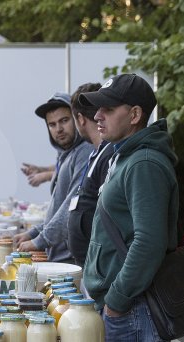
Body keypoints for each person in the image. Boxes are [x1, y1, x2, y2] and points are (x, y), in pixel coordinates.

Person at [80, 73, 177, 342]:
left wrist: (117, 302)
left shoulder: (144, 162)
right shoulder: (127, 155)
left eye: (107, 109)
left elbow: (148, 242)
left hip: (134, 309)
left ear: (134, 115)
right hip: (126, 307)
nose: (97, 117)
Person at [13, 93, 94, 263]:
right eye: (52, 124)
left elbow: (73, 206)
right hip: (59, 256)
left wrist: (39, 240)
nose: (58, 129)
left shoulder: (85, 151)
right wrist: (33, 232)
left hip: (73, 259)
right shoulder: (65, 154)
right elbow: (57, 209)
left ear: (77, 119)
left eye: (64, 120)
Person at [67, 82, 115, 266]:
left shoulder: (109, 154)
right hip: (90, 265)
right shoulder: (97, 152)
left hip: (100, 268)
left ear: (80, 119)